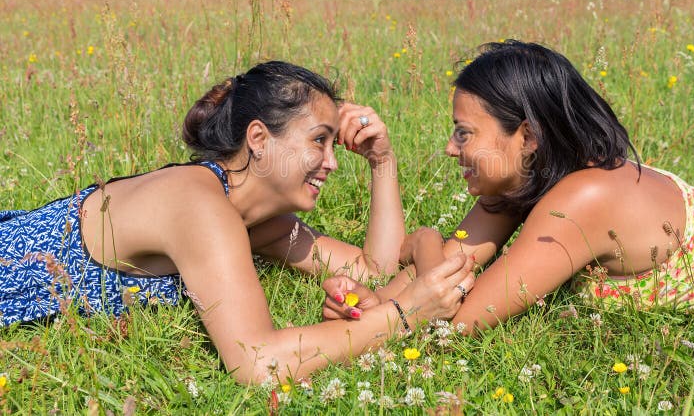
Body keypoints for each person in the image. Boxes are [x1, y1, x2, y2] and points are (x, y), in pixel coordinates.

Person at [0, 60, 475, 384]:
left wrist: (382, 161)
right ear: (259, 138)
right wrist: (404, 316)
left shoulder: (253, 220)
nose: (331, 161)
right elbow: (256, 362)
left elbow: (376, 268)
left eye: (335, 145)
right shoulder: (200, 205)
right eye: (318, 141)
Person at [323, 40, 694, 332]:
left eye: (464, 133)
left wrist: (424, 239)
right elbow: (454, 267)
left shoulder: (583, 199)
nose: (451, 148)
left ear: (527, 137)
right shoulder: (529, 177)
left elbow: (459, 319)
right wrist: (379, 303)